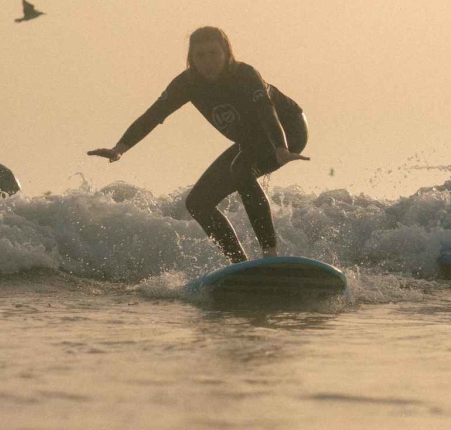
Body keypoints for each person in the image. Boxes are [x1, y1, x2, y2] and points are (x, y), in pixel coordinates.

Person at [88, 26, 309, 264]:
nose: (207, 61)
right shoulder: (187, 83)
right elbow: (153, 115)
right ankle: (240, 266)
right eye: (200, 55)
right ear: (191, 59)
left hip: (289, 130)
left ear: (226, 53)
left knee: (241, 169)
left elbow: (267, 111)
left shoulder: (245, 74)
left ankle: (270, 256)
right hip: (250, 141)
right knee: (197, 203)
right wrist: (119, 149)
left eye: (214, 53)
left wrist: (280, 146)